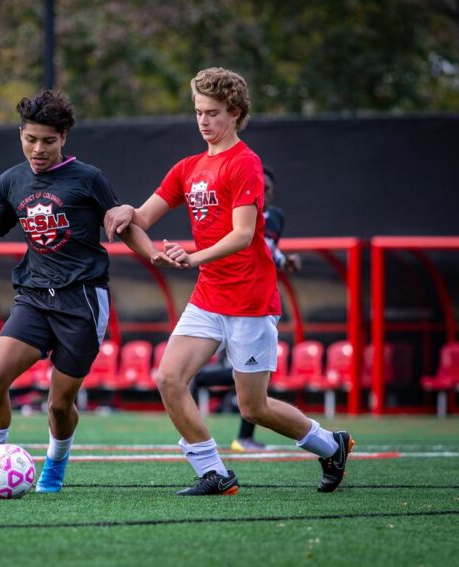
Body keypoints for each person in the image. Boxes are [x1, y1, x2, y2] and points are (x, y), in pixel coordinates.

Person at [105, 67, 353, 495]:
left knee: (253, 407)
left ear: (235, 113)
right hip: (208, 298)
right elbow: (143, 219)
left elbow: (242, 235)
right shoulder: (188, 168)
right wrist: (127, 215)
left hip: (250, 301)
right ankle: (213, 473)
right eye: (199, 111)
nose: (203, 121)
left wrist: (192, 256)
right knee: (169, 379)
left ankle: (331, 444)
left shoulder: (245, 164)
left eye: (213, 112)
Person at [0, 90, 176, 495]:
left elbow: (122, 222)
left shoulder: (88, 178)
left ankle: (55, 466)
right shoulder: (10, 181)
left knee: (59, 404)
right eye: (30, 139)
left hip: (82, 301)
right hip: (34, 296)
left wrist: (153, 254)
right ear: (20, 135)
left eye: (47, 140)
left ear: (64, 138)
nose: (38, 149)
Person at [230, 165, 302, 452]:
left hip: (252, 301)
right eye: (263, 187)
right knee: (245, 371)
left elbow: (264, 244)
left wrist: (284, 262)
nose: (266, 192)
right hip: (228, 299)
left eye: (269, 188)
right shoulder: (237, 211)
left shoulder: (271, 216)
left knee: (252, 371)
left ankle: (244, 437)